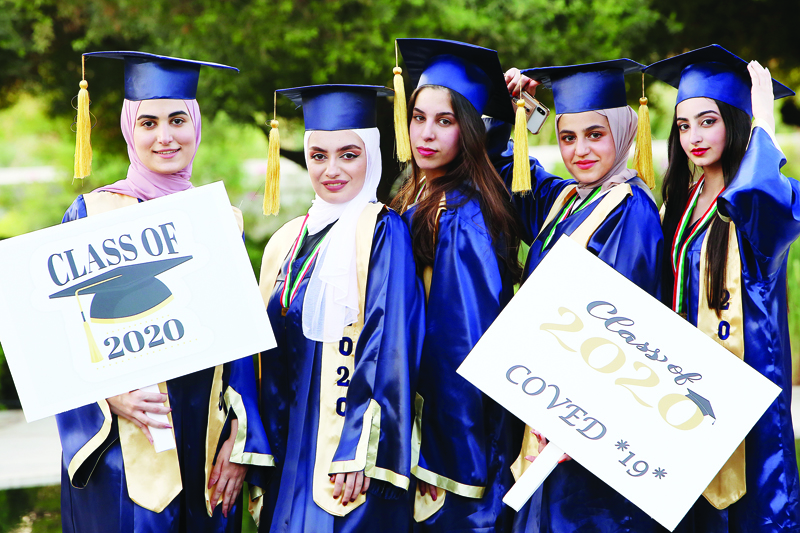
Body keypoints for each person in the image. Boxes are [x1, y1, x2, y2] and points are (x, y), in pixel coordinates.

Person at [57, 51, 272, 533]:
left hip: (205, 435)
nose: (165, 136)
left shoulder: (219, 221)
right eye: (149, 122)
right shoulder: (92, 216)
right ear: (130, 128)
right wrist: (105, 396)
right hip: (121, 446)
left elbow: (241, 348)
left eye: (178, 120)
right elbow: (58, 338)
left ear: (195, 126)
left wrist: (240, 440)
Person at [490, 60, 664, 532]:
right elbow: (508, 170)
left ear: (625, 133)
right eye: (568, 137)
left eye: (595, 134)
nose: (581, 150)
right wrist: (516, 113)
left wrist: (570, 412)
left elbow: (617, 327)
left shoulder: (631, 210)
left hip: (588, 423)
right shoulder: (567, 199)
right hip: (552, 406)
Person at [645, 44, 800, 532]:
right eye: (684, 124)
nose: (693, 136)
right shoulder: (683, 201)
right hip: (685, 400)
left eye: (708, 121)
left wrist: (765, 131)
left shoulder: (759, 202)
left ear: (736, 122)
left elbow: (766, 198)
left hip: (746, 400)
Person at [257, 84, 424, 533]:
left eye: (348, 155)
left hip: (346, 450)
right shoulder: (288, 240)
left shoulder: (384, 232)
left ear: (372, 153)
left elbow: (389, 345)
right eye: (318, 155)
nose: (331, 170)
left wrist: (357, 447)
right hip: (291, 442)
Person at [391, 38, 524, 532]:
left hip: (451, 446)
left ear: (468, 129)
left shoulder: (460, 212)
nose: (426, 133)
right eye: (419, 117)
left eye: (445, 121)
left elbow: (463, 342)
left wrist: (447, 460)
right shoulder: (421, 193)